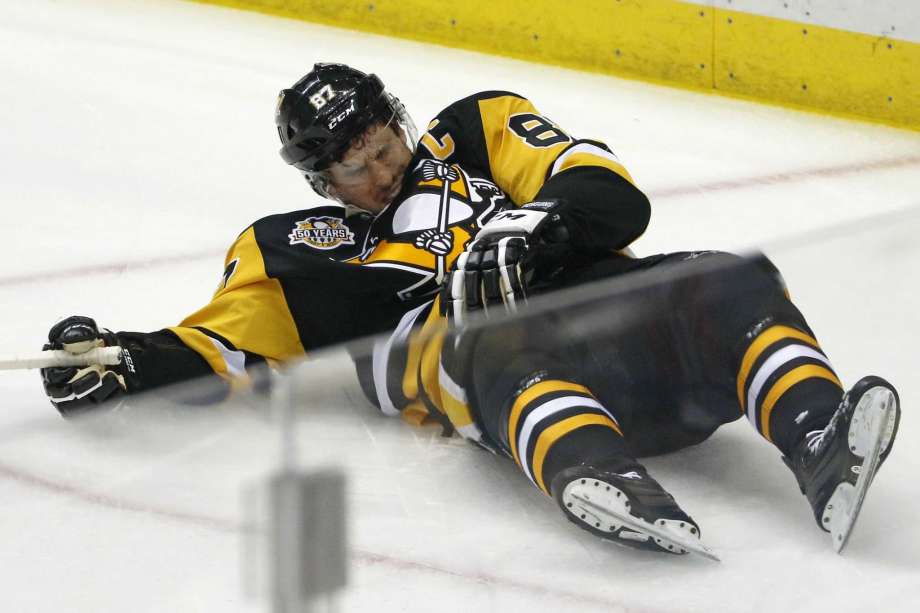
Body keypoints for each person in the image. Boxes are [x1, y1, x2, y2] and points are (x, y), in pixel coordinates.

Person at [40, 63, 900, 556]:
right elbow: (221, 346)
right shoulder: (299, 248)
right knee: (483, 342)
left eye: (384, 148)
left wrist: (539, 223)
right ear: (318, 183)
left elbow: (608, 192)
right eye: (354, 170)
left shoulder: (478, 132)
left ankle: (820, 438)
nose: (379, 174)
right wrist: (124, 357)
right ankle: (595, 473)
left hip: (621, 335)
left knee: (727, 277)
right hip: (491, 371)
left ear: (398, 122)